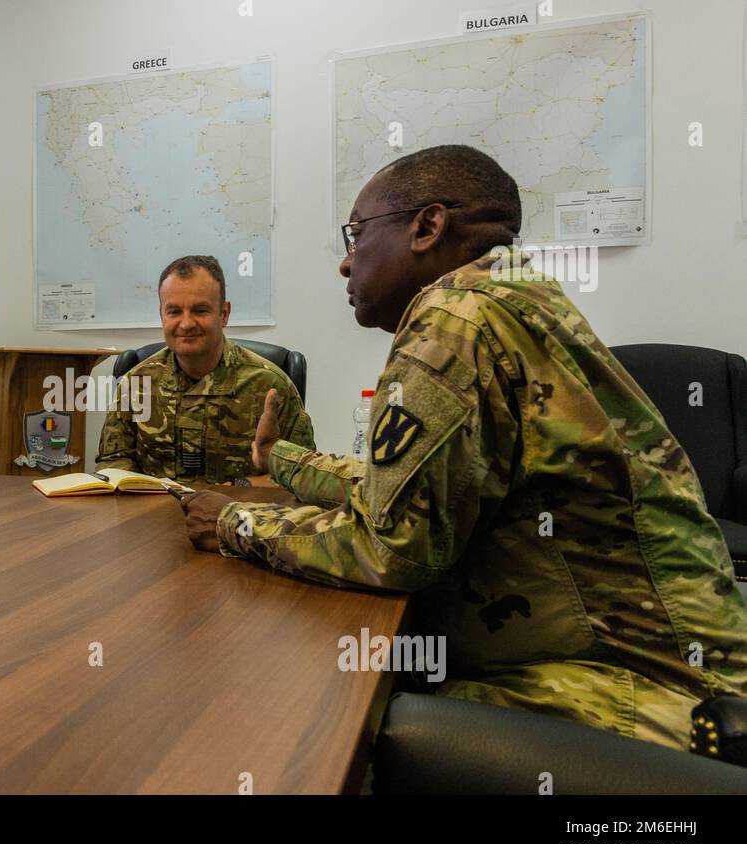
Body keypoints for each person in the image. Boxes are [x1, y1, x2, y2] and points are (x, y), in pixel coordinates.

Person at [180, 146, 747, 751]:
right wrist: (284, 461)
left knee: (347, 728)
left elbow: (394, 549)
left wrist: (239, 522)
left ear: (428, 226)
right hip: (675, 670)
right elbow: (402, 496)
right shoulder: (512, 297)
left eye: (357, 235)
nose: (347, 265)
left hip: (653, 695)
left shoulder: (456, 318)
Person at [96, 255, 314, 485]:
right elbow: (113, 461)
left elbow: (303, 474)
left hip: (241, 515)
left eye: (200, 310)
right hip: (154, 515)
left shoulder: (271, 385)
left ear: (224, 314)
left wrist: (240, 489)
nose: (186, 323)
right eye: (174, 311)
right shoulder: (136, 383)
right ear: (162, 314)